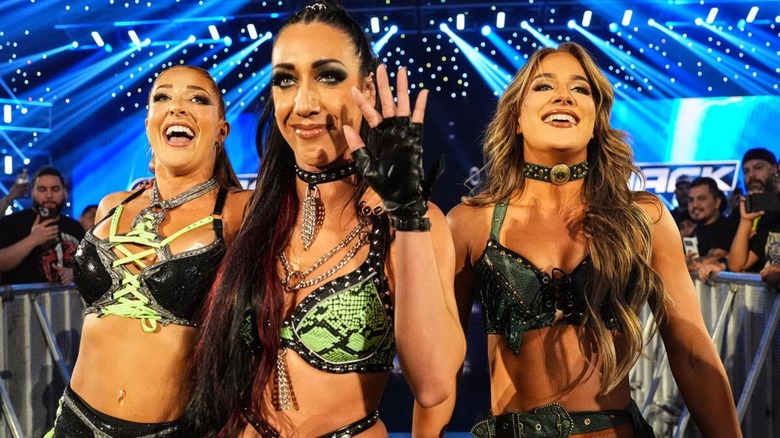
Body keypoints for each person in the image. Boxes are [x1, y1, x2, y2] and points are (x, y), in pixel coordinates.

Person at [426, 43, 741, 437]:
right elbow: (438, 369)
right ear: (517, 117)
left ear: (595, 119)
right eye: (543, 87)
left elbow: (692, 356)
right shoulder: (470, 223)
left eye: (581, 89)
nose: (563, 96)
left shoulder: (644, 218)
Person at [186, 1, 465, 436]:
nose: (303, 102)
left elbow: (432, 386)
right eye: (286, 80)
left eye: (328, 75)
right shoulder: (247, 214)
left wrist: (407, 212)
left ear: (368, 90)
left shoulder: (410, 223)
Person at [45, 65, 250, 437]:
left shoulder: (238, 210)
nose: (177, 108)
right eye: (163, 97)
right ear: (149, 122)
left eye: (197, 98)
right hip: (73, 421)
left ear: (222, 130)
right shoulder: (113, 206)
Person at [0, 167, 85, 285]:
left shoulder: (75, 227)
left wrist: (73, 273)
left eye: (55, 189)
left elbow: (90, 267)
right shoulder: (12, 223)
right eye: (42, 189)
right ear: (32, 193)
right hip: (22, 301)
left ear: (65, 193)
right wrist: (32, 240)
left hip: (69, 301)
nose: (49, 195)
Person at [727, 148, 780, 274]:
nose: (751, 176)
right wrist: (746, 221)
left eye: (758, 168)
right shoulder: (770, 216)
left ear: (773, 170)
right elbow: (737, 265)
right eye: (746, 171)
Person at [685, 177, 736, 281]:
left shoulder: (727, 228)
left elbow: (707, 261)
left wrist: (680, 262)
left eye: (701, 198)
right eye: (691, 200)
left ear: (717, 202)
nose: (695, 205)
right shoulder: (695, 231)